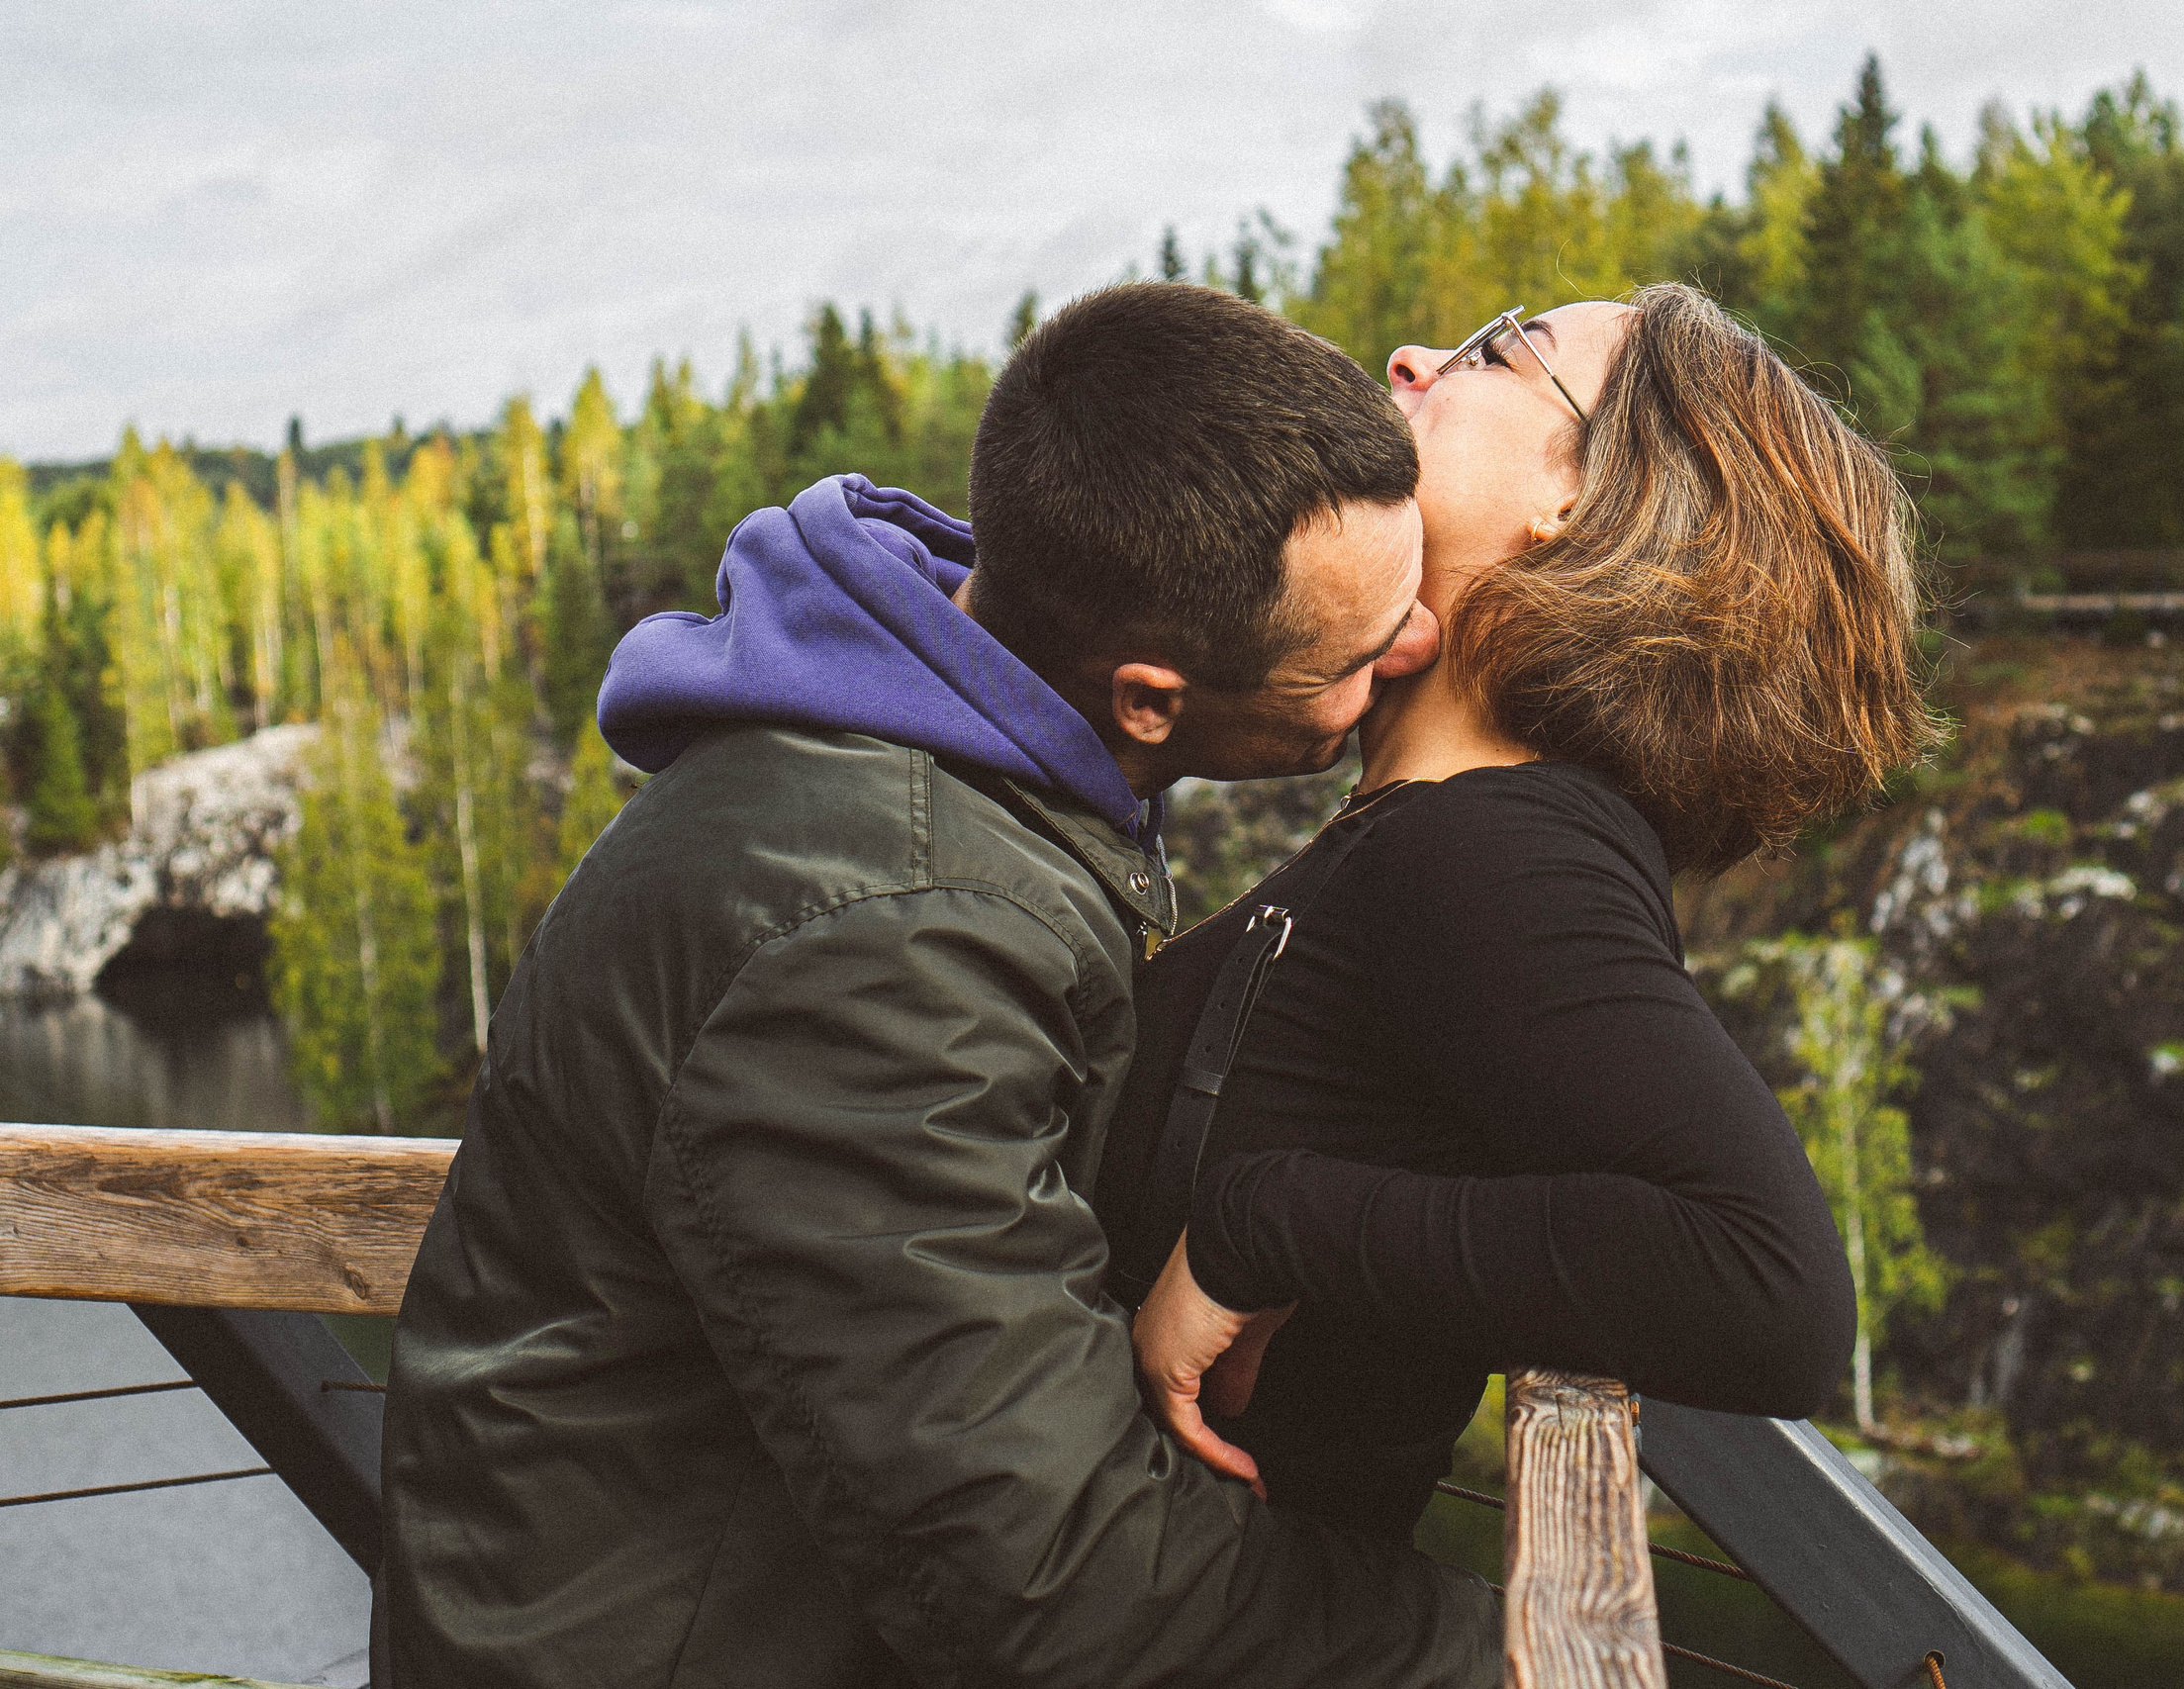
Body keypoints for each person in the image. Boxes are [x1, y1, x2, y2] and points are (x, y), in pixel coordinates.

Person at [376, 283, 1501, 1688]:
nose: (1414, 649)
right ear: (1151, 698)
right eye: (1357, 649)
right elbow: (1056, 1577)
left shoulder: (923, 763)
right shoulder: (876, 941)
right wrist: (1506, 1650)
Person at [1109, 284, 1936, 1541]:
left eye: (1500, 351)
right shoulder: (1446, 833)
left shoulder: (1495, 844)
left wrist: (1266, 1224)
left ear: (1585, 505)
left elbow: (1766, 1293)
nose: (1411, 358)